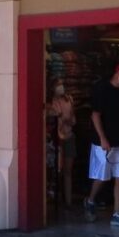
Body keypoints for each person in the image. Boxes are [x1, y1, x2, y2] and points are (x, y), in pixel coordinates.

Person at [85, 62, 119, 228]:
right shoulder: (101, 89)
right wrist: (102, 138)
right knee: (102, 176)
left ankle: (117, 213)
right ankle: (91, 200)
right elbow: (95, 115)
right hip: (104, 142)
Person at [45, 78, 76, 209]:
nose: (60, 87)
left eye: (61, 84)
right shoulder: (49, 102)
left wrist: (68, 121)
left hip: (68, 137)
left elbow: (73, 120)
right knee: (55, 171)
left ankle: (68, 201)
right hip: (55, 139)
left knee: (67, 171)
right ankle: (53, 200)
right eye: (58, 84)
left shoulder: (69, 100)